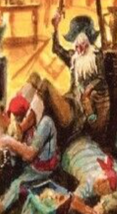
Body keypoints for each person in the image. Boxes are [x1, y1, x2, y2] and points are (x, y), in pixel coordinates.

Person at [30, 14, 109, 143]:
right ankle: (22, 123)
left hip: (76, 116)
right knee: (34, 78)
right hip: (69, 103)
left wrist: (89, 89)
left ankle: (23, 127)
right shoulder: (74, 58)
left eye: (82, 46)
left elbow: (101, 79)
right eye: (76, 46)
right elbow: (56, 49)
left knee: (45, 85)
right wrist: (55, 28)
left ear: (88, 43)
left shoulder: (96, 58)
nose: (79, 50)